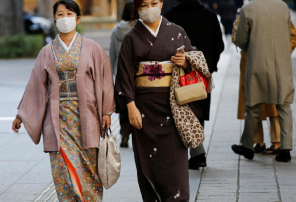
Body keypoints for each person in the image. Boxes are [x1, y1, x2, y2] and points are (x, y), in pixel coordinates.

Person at [12, 0, 115, 201]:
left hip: (87, 116)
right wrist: (21, 115)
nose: (65, 18)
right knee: (63, 169)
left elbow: (104, 81)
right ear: (54, 19)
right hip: (57, 118)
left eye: (69, 13)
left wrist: (107, 112)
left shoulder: (92, 48)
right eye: (60, 14)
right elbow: (36, 85)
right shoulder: (46, 52)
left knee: (89, 170)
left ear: (78, 18)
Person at [114, 0, 211, 200]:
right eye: (144, 4)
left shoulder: (176, 31)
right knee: (147, 161)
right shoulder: (132, 38)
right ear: (137, 8)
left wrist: (186, 61)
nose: (149, 8)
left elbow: (193, 57)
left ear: (161, 3)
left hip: (173, 108)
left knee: (175, 165)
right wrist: (130, 106)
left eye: (154, 2)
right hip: (143, 109)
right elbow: (124, 73)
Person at [231, 0, 296, 163]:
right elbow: (289, 33)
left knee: (253, 106)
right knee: (284, 105)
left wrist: (253, 47)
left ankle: (247, 147)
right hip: (281, 63)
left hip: (257, 64)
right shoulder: (283, 6)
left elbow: (241, 39)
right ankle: (285, 149)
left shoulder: (248, 9)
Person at [164, 0, 225, 169]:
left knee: (179, 108)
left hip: (177, 73)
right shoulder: (210, 16)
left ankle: (196, 153)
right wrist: (211, 66)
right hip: (201, 73)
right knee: (199, 109)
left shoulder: (170, 17)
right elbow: (219, 45)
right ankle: (197, 151)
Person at [110, 1, 134, 148]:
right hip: (138, 73)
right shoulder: (140, 29)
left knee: (124, 105)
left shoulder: (116, 30)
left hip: (121, 72)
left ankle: (124, 135)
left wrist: (113, 74)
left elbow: (112, 54)